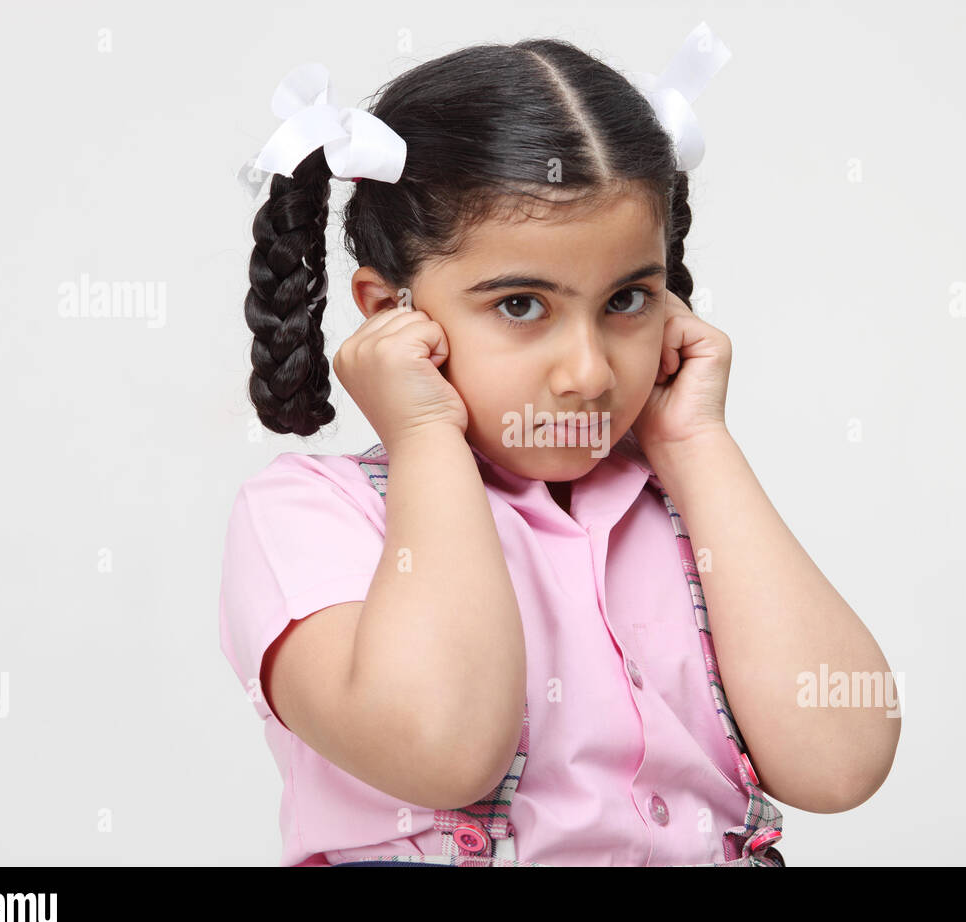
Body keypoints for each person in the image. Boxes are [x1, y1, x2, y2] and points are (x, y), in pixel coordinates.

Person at [219, 23, 900, 867]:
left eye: (625, 301)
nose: (585, 372)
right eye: (519, 305)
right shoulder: (307, 518)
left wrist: (694, 439)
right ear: (390, 311)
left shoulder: (686, 503)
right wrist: (426, 435)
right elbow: (443, 750)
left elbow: (841, 763)